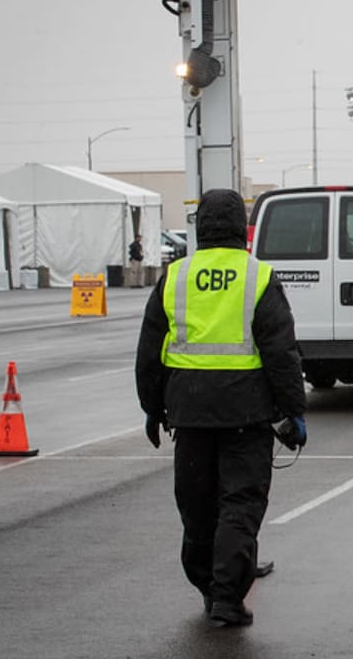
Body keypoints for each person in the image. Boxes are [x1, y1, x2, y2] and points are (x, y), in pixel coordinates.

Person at [135, 189, 306, 628]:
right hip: (245, 414)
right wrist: (293, 410)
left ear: (199, 229)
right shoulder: (258, 276)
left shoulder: (176, 276)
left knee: (197, 505)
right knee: (240, 504)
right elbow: (280, 351)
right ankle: (227, 596)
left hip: (189, 411)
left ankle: (209, 589)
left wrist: (152, 409)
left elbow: (150, 349)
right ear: (241, 229)